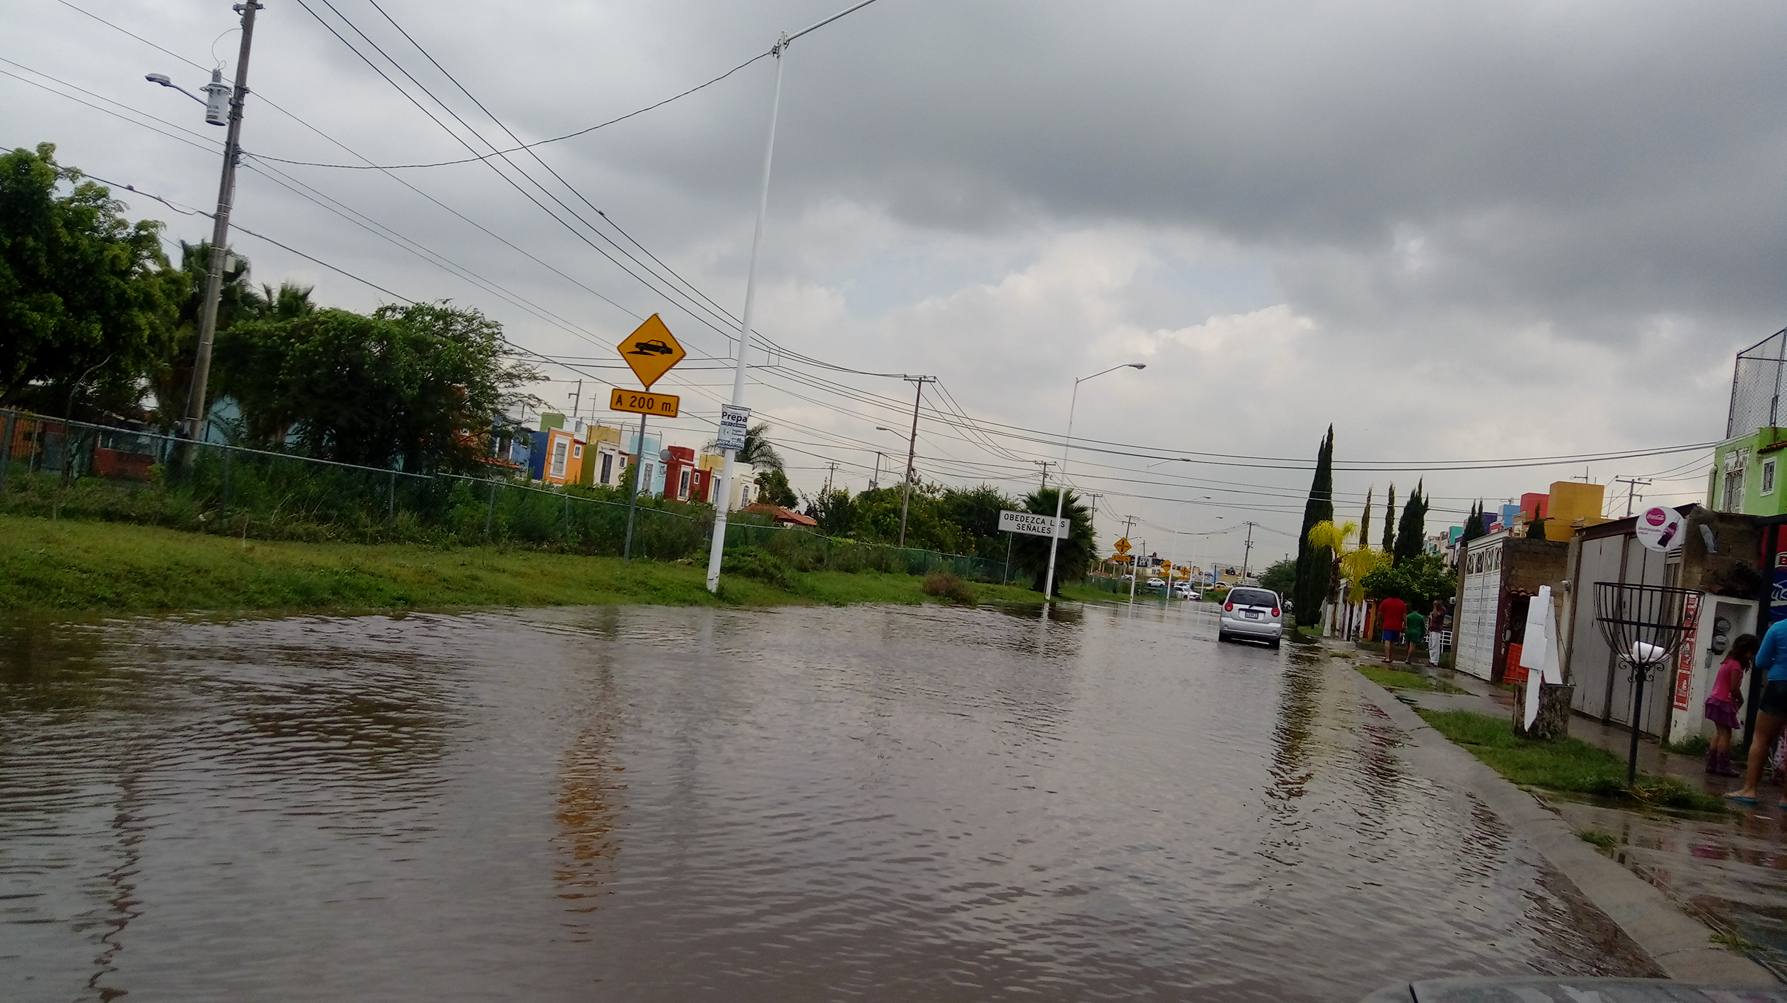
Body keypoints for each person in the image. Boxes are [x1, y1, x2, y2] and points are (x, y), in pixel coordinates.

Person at [1728, 620, 1787, 804]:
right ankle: (1785, 798)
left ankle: (1750, 789)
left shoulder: (1778, 628)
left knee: (1761, 737)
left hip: (1779, 685)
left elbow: (1760, 660)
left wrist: (1778, 665)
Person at [1706, 634, 1758, 777]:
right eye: (1752, 652)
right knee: (1726, 734)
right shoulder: (1736, 666)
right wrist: (1740, 700)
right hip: (1724, 701)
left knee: (1719, 732)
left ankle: (1712, 763)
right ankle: (1723, 766)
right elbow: (1734, 687)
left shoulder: (1728, 661)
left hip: (1715, 699)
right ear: (1747, 651)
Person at [1378, 594, 1408, 664]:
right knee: (1393, 642)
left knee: (1387, 641)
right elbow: (1404, 615)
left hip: (1387, 624)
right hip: (1397, 625)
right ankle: (1390, 657)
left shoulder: (1385, 602)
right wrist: (1405, 625)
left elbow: (1380, 613)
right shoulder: (1402, 603)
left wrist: (1379, 621)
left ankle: (1387, 658)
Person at [1427, 599, 1448, 666]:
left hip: (1437, 630)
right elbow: (1431, 619)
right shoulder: (1434, 611)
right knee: (1430, 645)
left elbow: (1436, 616)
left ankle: (1435, 661)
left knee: (1435, 645)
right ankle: (1431, 659)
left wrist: (1434, 608)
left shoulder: (1442, 610)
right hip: (1432, 629)